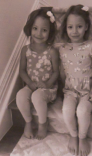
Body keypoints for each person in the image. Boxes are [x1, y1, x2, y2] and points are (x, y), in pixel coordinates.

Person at [59, 4, 92, 156]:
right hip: (70, 90)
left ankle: (82, 137)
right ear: (66, 28)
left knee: (82, 111)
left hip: (88, 90)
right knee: (66, 111)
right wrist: (61, 91)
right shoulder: (63, 48)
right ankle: (73, 135)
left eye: (79, 26)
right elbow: (62, 72)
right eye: (70, 27)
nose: (74, 31)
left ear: (86, 27)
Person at [16, 7, 60, 140]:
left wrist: (46, 84)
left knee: (36, 97)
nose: (39, 33)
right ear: (30, 28)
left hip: (48, 87)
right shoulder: (25, 50)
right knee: (20, 95)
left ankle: (42, 123)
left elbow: (56, 72)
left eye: (44, 30)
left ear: (50, 32)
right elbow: (22, 71)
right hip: (31, 85)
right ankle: (28, 122)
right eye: (35, 28)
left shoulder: (52, 51)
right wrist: (30, 83)